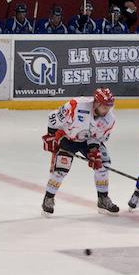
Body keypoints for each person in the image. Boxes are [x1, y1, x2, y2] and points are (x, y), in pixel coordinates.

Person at [41, 88, 118, 216]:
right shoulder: (75, 105)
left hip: (87, 140)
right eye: (105, 107)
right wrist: (50, 136)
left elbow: (96, 137)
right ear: (96, 103)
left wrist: (94, 153)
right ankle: (48, 198)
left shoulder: (109, 119)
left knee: (103, 165)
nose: (107, 110)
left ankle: (103, 199)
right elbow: (53, 118)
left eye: (109, 107)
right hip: (67, 137)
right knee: (61, 169)